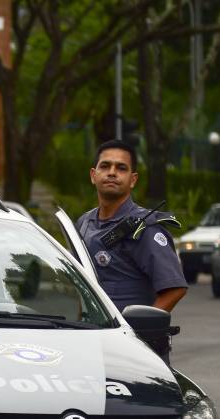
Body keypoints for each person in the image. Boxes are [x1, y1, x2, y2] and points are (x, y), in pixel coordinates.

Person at [76, 139, 187, 360]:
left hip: (133, 350)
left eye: (121, 168)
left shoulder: (144, 228)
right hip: (91, 342)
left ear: (132, 180)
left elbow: (175, 288)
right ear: (93, 175)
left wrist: (138, 332)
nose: (112, 173)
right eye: (105, 166)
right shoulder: (83, 224)